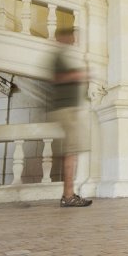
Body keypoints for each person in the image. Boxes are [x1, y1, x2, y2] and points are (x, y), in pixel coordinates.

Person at [48, 27, 92, 207]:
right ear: (62, 37)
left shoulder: (62, 55)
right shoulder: (57, 57)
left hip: (68, 109)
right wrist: (78, 74)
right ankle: (68, 196)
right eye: (71, 36)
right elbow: (58, 78)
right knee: (71, 152)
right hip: (65, 109)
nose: (74, 39)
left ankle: (68, 194)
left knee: (71, 151)